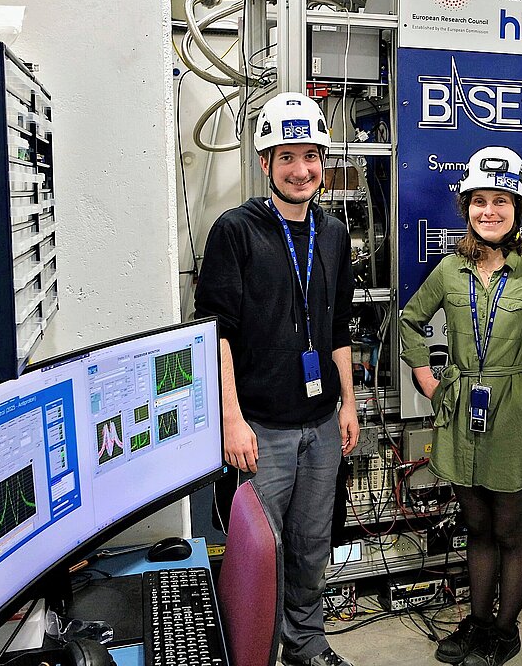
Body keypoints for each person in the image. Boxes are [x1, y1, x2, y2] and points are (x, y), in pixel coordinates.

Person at [399, 146, 522, 666]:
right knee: (479, 527)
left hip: (511, 414)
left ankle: (504, 631)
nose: (489, 211)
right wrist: (427, 378)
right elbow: (409, 322)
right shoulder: (448, 271)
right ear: (466, 206)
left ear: (518, 209)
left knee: (511, 529)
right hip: (461, 413)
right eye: (480, 201)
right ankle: (479, 620)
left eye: (501, 201)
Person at [194, 92, 360, 666]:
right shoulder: (235, 231)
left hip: (320, 424)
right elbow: (217, 333)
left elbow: (339, 324)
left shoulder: (333, 234)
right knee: (258, 553)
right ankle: (254, 653)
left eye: (310, 155)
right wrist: (232, 421)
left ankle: (307, 644)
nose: (300, 169)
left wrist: (349, 403)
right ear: (264, 162)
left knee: (312, 546)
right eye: (285, 156)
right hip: (260, 430)